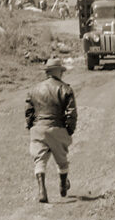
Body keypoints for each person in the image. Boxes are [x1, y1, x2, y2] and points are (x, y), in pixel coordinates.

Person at [25, 57, 77, 203]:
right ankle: (63, 184)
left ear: (47, 72)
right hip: (57, 127)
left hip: (38, 129)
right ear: (59, 72)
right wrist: (69, 130)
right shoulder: (66, 89)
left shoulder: (34, 89)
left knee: (39, 160)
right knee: (62, 161)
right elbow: (71, 113)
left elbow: (28, 111)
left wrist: (32, 127)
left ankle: (42, 191)